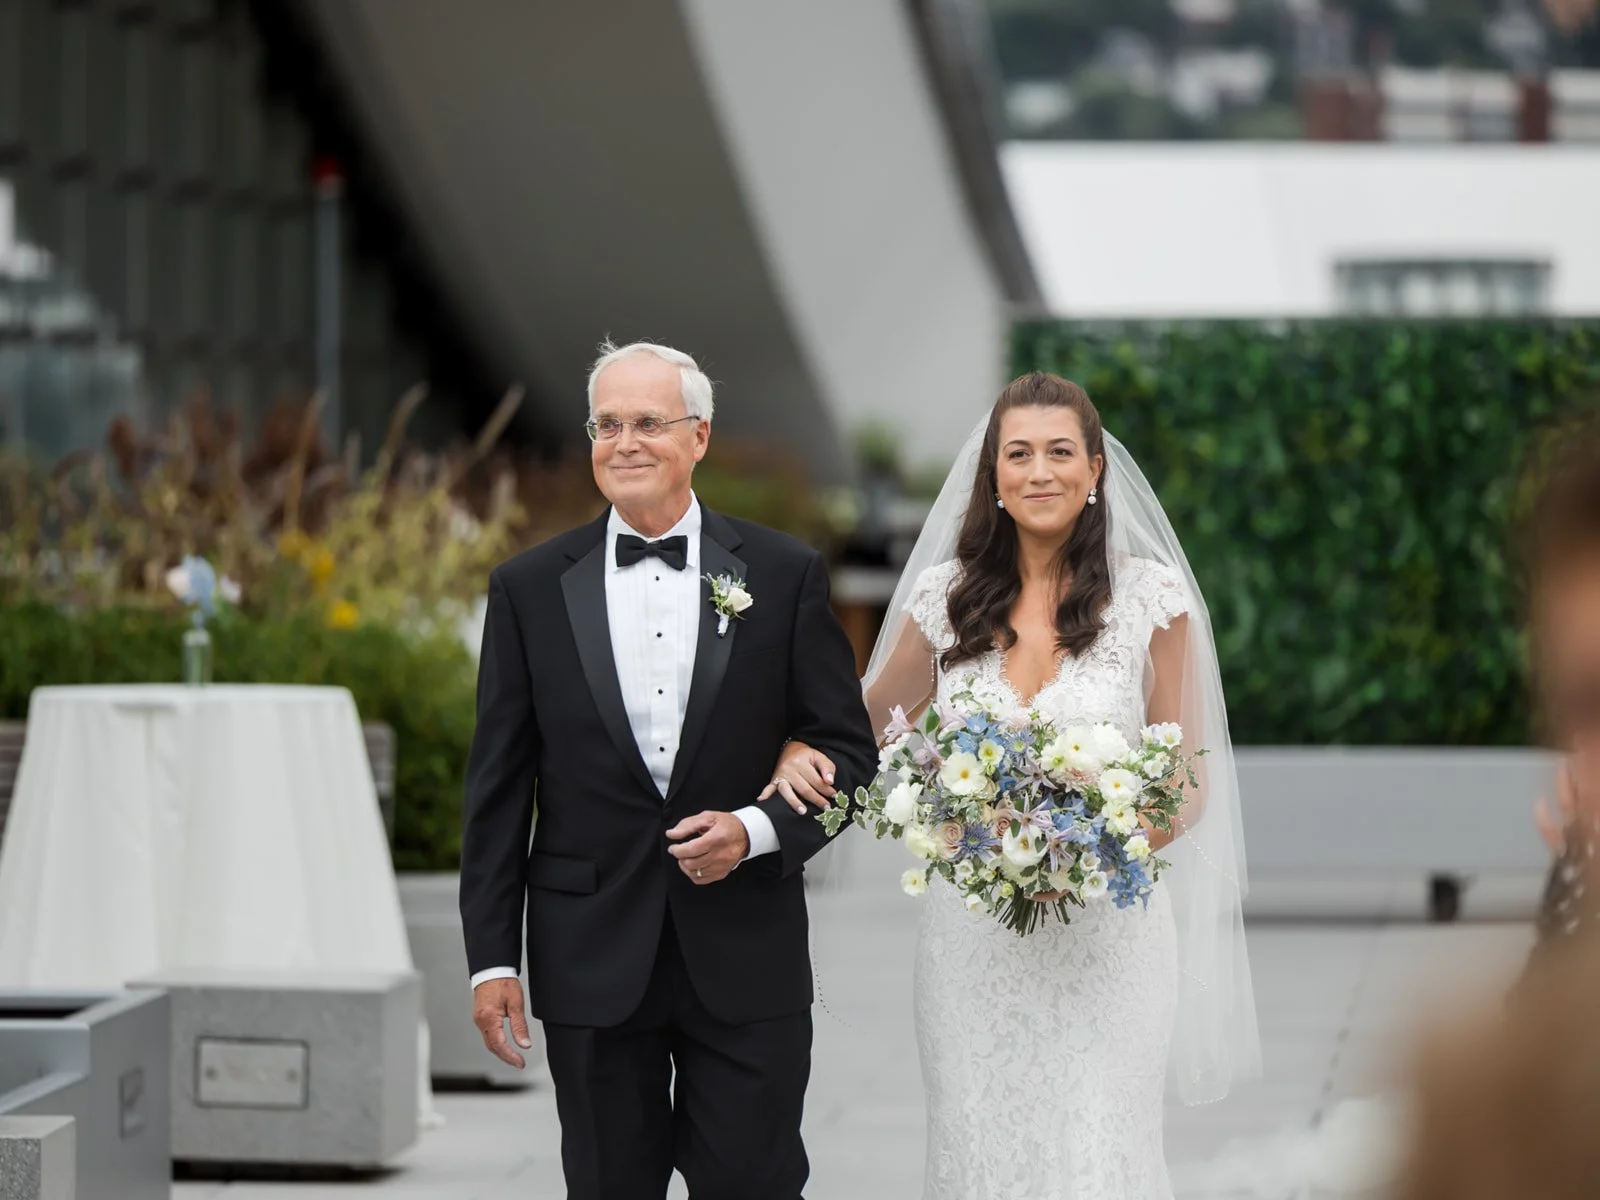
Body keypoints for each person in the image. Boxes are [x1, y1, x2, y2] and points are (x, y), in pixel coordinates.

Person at [771, 372, 1259, 1198]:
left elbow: (1184, 779)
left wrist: (1085, 852)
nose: (1040, 472)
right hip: (974, 947)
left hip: (1110, 940)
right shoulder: (946, 598)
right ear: (992, 475)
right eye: (1019, 454)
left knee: (1100, 1151)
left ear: (1095, 469)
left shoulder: (1153, 599)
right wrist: (794, 749)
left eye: (1060, 452)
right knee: (979, 1150)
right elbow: (864, 726)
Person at [458, 340, 876, 1200]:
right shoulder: (527, 589)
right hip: (589, 954)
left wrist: (754, 832)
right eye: (606, 425)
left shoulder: (784, 574)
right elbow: (497, 791)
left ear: (700, 437)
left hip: (746, 953)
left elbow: (849, 755)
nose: (625, 443)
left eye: (649, 422)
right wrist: (491, 961)